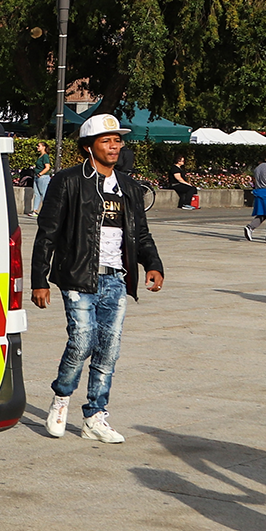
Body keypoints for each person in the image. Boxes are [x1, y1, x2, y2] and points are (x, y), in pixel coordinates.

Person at [31, 113, 164, 444]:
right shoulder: (68, 181)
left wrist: (153, 263)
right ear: (89, 147)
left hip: (116, 280)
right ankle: (61, 399)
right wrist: (39, 279)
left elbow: (140, 234)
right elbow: (47, 232)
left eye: (118, 140)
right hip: (77, 276)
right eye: (107, 140)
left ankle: (94, 416)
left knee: (109, 349)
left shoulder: (129, 188)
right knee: (82, 341)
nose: (114, 146)